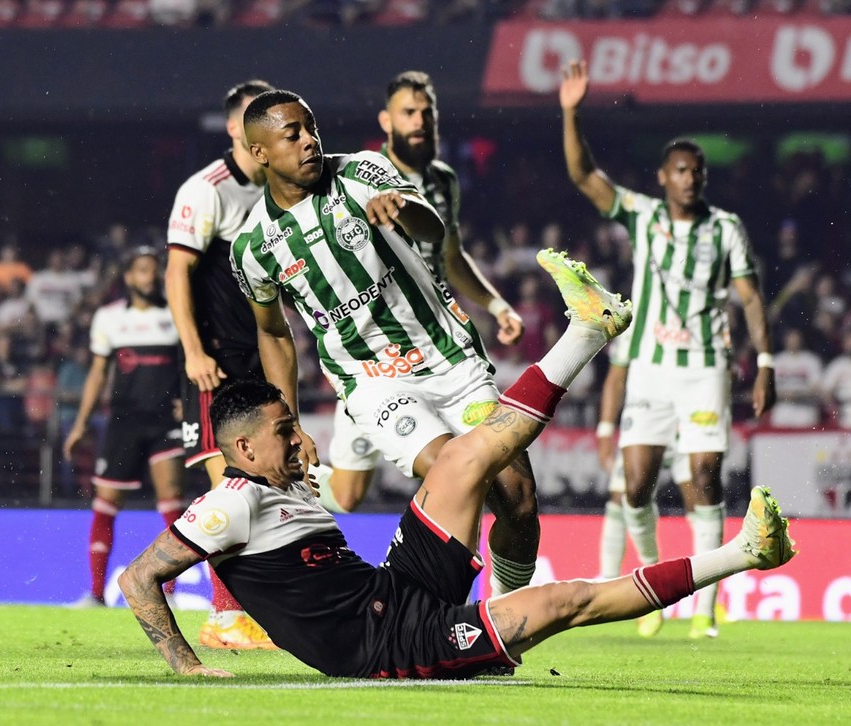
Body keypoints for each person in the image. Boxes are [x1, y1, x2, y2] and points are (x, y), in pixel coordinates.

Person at [117, 256, 797, 679]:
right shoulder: (229, 503)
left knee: (463, 457)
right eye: (284, 431)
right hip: (390, 646)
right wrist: (186, 666)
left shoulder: (283, 486)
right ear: (241, 451)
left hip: (392, 587)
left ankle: (587, 329)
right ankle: (746, 551)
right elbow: (141, 576)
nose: (300, 439)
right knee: (565, 601)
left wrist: (302, 463)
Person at [230, 90, 541, 599]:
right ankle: (449, 621)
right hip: (374, 380)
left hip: (451, 359)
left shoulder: (362, 170)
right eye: (293, 135)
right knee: (455, 472)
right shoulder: (253, 247)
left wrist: (401, 208)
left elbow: (432, 227)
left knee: (519, 499)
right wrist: (286, 423)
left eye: (312, 128)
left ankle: (504, 618)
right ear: (260, 152)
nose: (310, 141)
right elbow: (272, 332)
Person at [560, 59, 777, 639]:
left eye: (697, 171)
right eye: (681, 171)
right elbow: (584, 177)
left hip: (705, 367)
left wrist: (765, 361)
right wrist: (570, 110)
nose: (690, 179)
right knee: (635, 487)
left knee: (705, 477)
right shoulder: (644, 214)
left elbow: (752, 298)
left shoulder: (725, 228)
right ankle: (654, 589)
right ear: (663, 176)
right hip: (650, 372)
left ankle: (704, 610)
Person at [323, 71, 525, 515]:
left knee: (474, 473)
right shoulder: (357, 178)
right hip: (379, 360)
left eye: (426, 112)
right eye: (408, 112)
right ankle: (273, 487)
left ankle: (453, 574)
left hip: (439, 348)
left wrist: (495, 303)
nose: (419, 121)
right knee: (346, 495)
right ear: (386, 121)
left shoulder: (444, 180)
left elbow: (450, 254)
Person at [164, 79, 278, 648]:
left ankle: (242, 611)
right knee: (229, 488)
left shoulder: (278, 194)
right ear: (236, 129)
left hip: (255, 364)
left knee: (257, 488)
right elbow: (177, 270)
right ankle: (224, 615)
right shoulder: (207, 190)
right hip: (215, 364)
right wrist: (193, 351)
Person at [64, 248, 186, 608]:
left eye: (155, 270)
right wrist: (81, 424)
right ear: (130, 277)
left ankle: (171, 594)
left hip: (167, 421)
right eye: (143, 270)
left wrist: (188, 402)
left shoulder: (176, 312)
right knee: (105, 504)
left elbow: (188, 362)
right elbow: (98, 373)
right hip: (124, 422)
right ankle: (97, 594)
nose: (151, 276)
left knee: (173, 504)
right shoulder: (109, 318)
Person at [595, 329, 704, 638]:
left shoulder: (689, 325)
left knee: (697, 502)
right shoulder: (636, 330)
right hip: (644, 421)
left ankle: (707, 603)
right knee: (622, 496)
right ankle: (612, 580)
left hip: (684, 423)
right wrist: (605, 429)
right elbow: (616, 379)